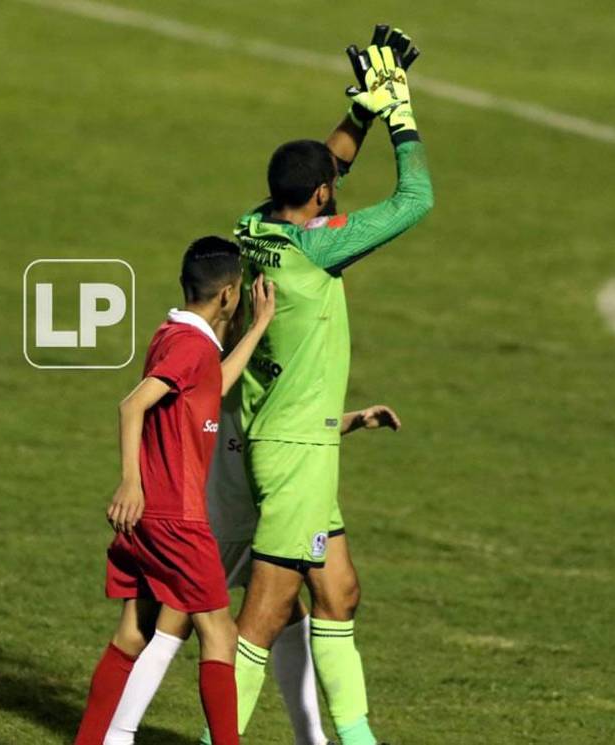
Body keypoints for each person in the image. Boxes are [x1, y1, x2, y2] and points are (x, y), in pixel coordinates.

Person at [223, 27, 433, 745]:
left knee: (338, 593)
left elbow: (322, 165)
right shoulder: (321, 247)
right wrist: (400, 115)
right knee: (264, 616)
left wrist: (360, 113)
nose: (336, 189)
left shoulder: (252, 229)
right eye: (331, 189)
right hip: (294, 455)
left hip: (290, 440)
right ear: (320, 197)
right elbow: (415, 200)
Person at [104, 397, 401, 745]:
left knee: (287, 611)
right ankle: (116, 735)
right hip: (216, 525)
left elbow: (293, 425)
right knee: (173, 622)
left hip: (263, 521)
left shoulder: (257, 375)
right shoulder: (218, 372)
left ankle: (311, 737)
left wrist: (352, 419)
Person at [74, 237, 276, 745]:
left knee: (134, 633)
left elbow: (214, 384)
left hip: (151, 518)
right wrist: (130, 481)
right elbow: (132, 405)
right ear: (229, 294)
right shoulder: (190, 347)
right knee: (220, 634)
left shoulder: (179, 336)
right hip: (174, 515)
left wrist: (256, 330)